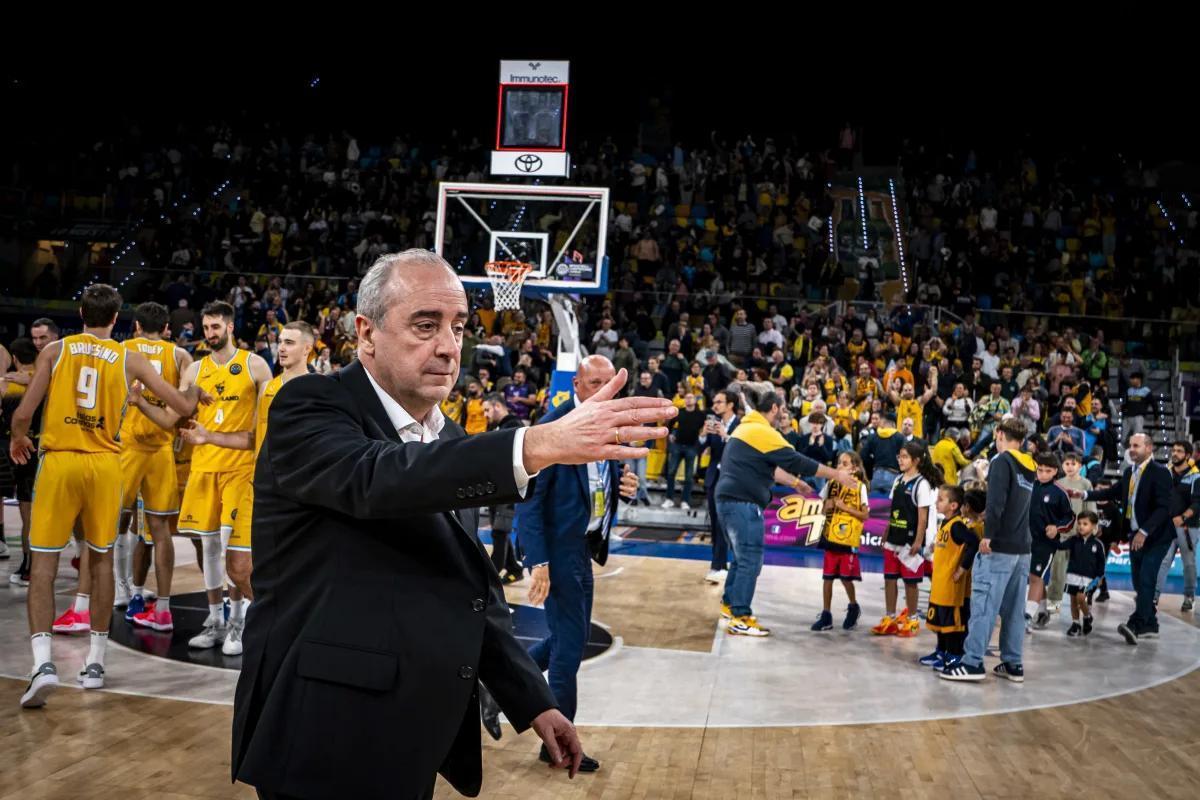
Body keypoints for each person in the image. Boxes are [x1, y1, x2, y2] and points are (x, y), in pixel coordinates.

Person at [232, 251, 675, 798]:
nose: (448, 345)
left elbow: (470, 592)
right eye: (425, 325)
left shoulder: (451, 444)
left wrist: (534, 700)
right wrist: (536, 443)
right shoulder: (310, 405)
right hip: (322, 728)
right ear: (366, 333)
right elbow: (378, 478)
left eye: (459, 327)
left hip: (413, 732)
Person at [11, 284, 204, 708]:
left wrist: (18, 438)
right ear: (116, 319)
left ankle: (43, 663)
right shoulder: (128, 358)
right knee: (101, 561)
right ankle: (95, 661)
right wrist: (193, 391)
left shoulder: (55, 351)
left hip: (59, 462)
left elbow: (24, 411)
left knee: (43, 564)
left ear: (80, 312)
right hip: (104, 465)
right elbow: (182, 407)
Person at [517, 354, 646, 774]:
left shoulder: (605, 422)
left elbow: (603, 479)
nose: (602, 391)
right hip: (558, 552)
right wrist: (538, 561)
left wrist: (623, 487)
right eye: (594, 383)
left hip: (585, 548)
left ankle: (498, 689)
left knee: (563, 640)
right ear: (577, 382)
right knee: (570, 651)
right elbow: (530, 502)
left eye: (609, 384)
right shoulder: (554, 425)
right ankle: (556, 744)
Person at [161, 302, 274, 657]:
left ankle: (239, 622)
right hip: (203, 466)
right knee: (208, 547)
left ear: (229, 326)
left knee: (232, 551)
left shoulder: (255, 364)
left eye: (214, 327)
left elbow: (265, 424)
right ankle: (215, 620)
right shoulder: (195, 369)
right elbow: (178, 412)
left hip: (241, 469)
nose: (208, 333)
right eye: (205, 327)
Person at [715, 383, 855, 637]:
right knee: (750, 559)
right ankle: (740, 616)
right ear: (776, 408)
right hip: (743, 502)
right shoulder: (762, 431)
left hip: (727, 500)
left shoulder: (746, 427)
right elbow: (797, 461)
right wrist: (837, 475)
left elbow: (769, 467)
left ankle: (729, 605)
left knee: (740, 557)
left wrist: (795, 482)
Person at [112, 302, 194, 631]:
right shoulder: (179, 357)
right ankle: (162, 606)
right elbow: (188, 404)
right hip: (161, 449)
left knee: (115, 522)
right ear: (165, 328)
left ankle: (122, 590)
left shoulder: (122, 351)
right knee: (160, 532)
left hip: (127, 446)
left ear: (135, 326)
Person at [941, 419, 1037, 683]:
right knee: (1014, 609)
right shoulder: (1030, 465)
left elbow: (996, 503)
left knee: (984, 606)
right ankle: (1013, 662)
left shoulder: (1001, 461)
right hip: (1022, 548)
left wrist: (989, 535)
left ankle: (972, 663)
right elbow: (1015, 505)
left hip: (1000, 546)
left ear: (999, 434)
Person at [1073, 433, 1175, 645]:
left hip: (1156, 537)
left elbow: (1164, 507)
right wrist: (1084, 495)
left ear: (1149, 448)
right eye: (1130, 446)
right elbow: (1112, 492)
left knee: (1146, 579)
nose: (1132, 449)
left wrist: (1144, 531)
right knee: (1139, 582)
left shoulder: (1161, 472)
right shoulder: (1130, 472)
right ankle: (1151, 624)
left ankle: (1135, 624)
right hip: (1135, 535)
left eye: (1136, 446)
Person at [872, 441, 940, 637]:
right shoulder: (898, 480)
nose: (900, 460)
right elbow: (894, 509)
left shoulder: (922, 484)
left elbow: (923, 517)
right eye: (899, 456)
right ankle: (890, 617)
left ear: (916, 460)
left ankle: (912, 620)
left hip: (910, 540)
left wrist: (919, 541)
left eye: (904, 457)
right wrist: (887, 530)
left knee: (911, 582)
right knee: (890, 578)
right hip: (894, 535)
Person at [920, 485, 981, 669]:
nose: (937, 502)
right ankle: (941, 650)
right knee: (940, 623)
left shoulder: (957, 525)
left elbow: (974, 543)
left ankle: (954, 654)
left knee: (952, 625)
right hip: (940, 583)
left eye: (941, 499)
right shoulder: (945, 523)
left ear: (953, 505)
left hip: (951, 585)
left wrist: (962, 569)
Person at [811, 451, 868, 632]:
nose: (839, 466)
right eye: (839, 463)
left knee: (845, 578)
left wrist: (845, 508)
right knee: (827, 578)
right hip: (830, 535)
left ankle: (853, 606)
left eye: (844, 463)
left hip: (848, 538)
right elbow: (823, 509)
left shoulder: (860, 487)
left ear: (854, 468)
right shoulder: (831, 483)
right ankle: (826, 615)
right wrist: (827, 505)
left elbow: (865, 515)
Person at [3, 337, 40, 586]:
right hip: (45, 449)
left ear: (14, 359)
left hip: (20, 453)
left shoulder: (7, 385)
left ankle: (29, 568)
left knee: (28, 515)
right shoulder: (47, 380)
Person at [1025, 453, 1076, 629]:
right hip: (1027, 540)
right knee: (1035, 578)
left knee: (1036, 577)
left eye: (1048, 471)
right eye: (1040, 470)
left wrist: (1057, 528)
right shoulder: (1030, 486)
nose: (1043, 474)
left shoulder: (1061, 492)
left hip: (1047, 543)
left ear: (1055, 471)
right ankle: (1042, 612)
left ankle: (1026, 617)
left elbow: (1070, 519)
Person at [482, 392, 524, 583]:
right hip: (498, 488)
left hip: (508, 488)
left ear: (498, 406)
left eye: (487, 410)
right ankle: (514, 568)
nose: (485, 415)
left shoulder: (513, 426)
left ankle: (491, 575)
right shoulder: (500, 427)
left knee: (499, 531)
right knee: (500, 531)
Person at [1046, 452, 1095, 613]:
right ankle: (1054, 604)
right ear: (1062, 466)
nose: (1070, 467)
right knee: (1057, 573)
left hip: (1079, 536)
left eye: (1073, 464)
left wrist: (1089, 531)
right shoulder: (1057, 484)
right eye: (1067, 464)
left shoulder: (1086, 485)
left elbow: (1091, 509)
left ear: (1080, 466)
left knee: (1081, 574)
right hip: (1061, 536)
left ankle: (1082, 603)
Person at [1156, 440, 1200, 610]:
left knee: (1188, 562)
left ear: (1187, 455)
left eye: (1179, 451)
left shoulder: (1196, 477)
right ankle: (1154, 596)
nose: (1174, 453)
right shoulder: (1166, 473)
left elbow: (1197, 503)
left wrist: (1183, 517)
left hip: (1188, 527)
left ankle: (1189, 596)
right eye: (1173, 450)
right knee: (1163, 561)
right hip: (1167, 526)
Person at [702, 390, 741, 584]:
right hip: (714, 477)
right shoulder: (714, 424)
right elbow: (704, 446)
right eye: (714, 402)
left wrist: (725, 436)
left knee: (723, 524)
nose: (715, 405)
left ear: (730, 404)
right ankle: (718, 565)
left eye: (719, 402)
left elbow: (740, 449)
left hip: (731, 480)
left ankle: (721, 566)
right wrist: (703, 435)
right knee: (715, 523)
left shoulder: (741, 425)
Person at [1050, 511, 1106, 637]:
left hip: (1089, 579)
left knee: (1081, 598)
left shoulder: (1098, 544)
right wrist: (1053, 536)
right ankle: (1076, 624)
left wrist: (1099, 577)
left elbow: (1101, 563)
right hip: (1072, 576)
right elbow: (1060, 546)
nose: (1081, 526)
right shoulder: (1073, 540)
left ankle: (1087, 616)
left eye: (1085, 524)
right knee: (1073, 601)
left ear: (1093, 526)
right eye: (1079, 523)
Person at [662, 392, 706, 510]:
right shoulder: (680, 412)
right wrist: (670, 434)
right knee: (671, 473)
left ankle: (685, 501)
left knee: (689, 477)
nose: (688, 399)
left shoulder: (700, 415)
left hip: (692, 447)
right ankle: (669, 499)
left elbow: (704, 428)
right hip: (677, 445)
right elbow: (670, 423)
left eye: (691, 397)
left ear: (695, 400)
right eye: (686, 398)